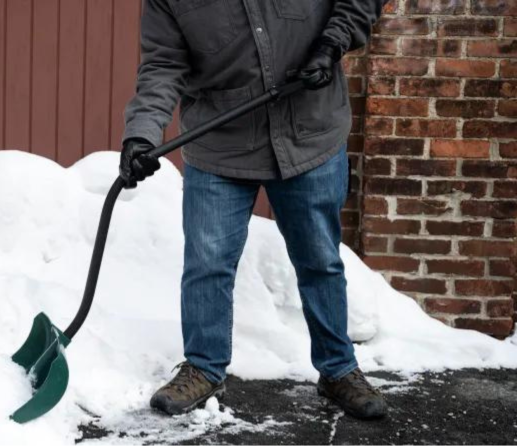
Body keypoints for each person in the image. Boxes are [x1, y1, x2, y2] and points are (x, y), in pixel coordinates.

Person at [119, 0, 388, 420]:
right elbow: (163, 65)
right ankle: (204, 368)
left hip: (309, 133)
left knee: (319, 260)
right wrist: (141, 134)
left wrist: (331, 44)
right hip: (220, 142)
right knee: (207, 262)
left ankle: (338, 369)